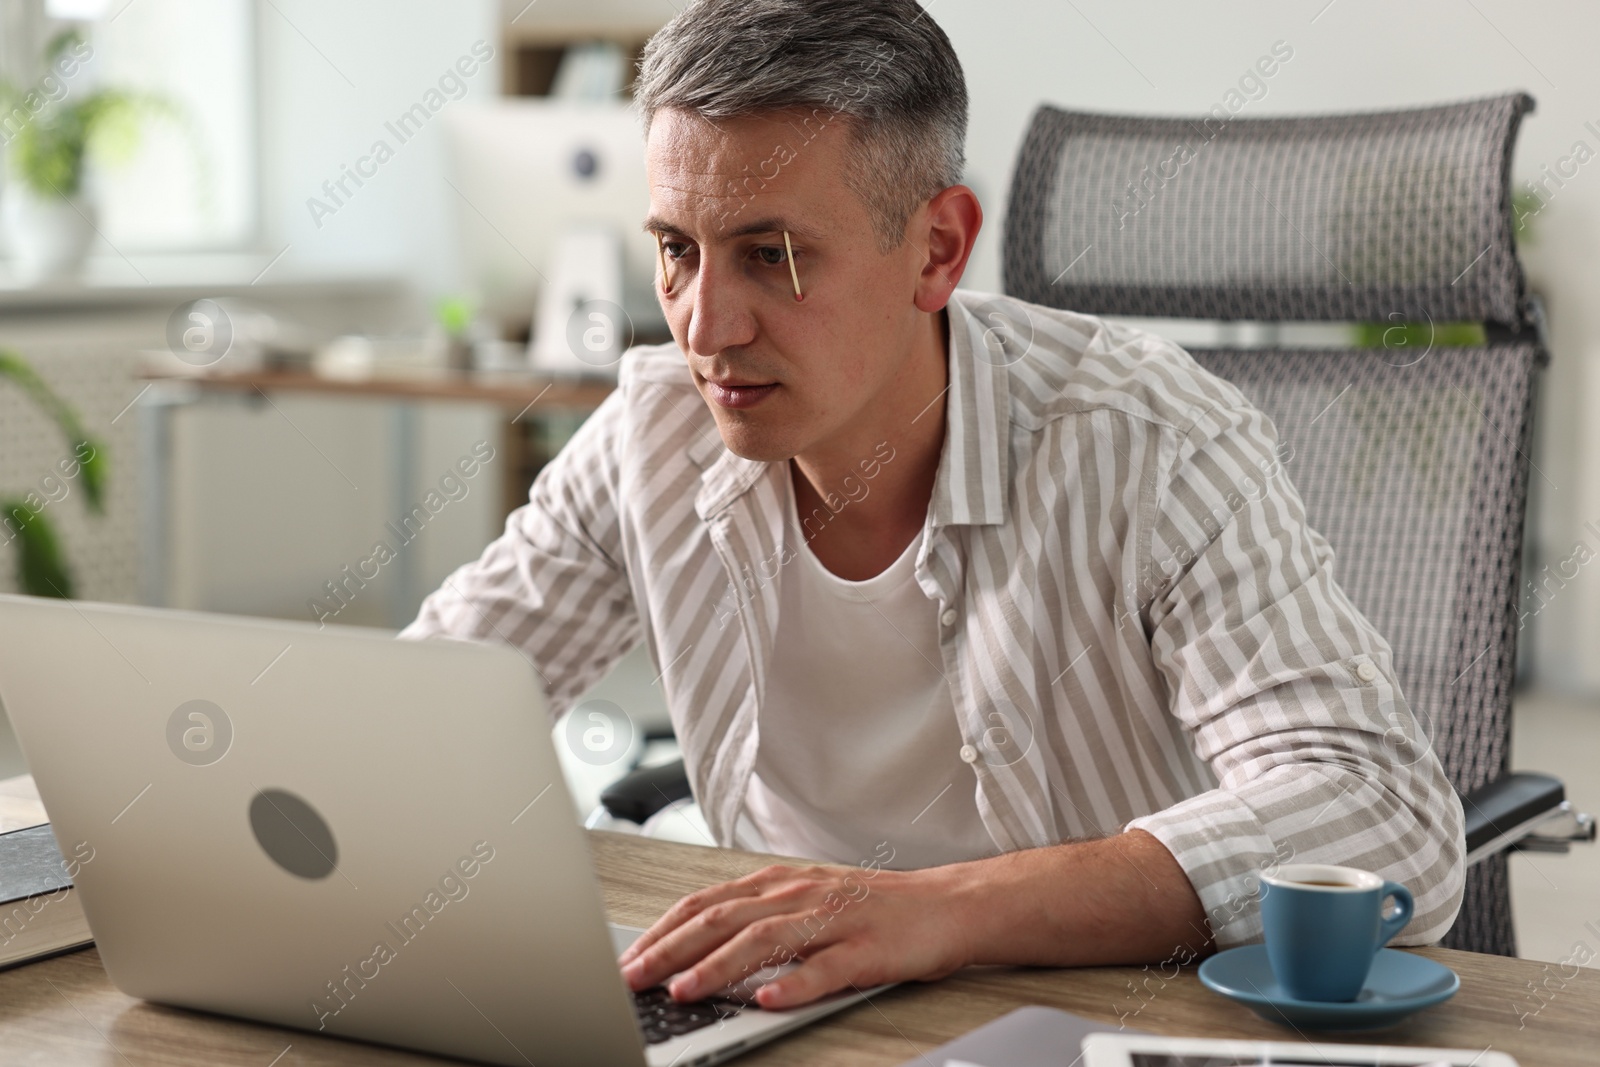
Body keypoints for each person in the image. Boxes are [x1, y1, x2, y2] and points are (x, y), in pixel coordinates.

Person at [400, 0, 1464, 1011]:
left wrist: (940, 912)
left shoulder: (1149, 442)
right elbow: (411, 717)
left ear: (938, 248)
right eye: (678, 250)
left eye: (771, 257)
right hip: (782, 1001)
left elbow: (1383, 812)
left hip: (1086, 1014)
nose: (706, 326)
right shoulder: (652, 434)